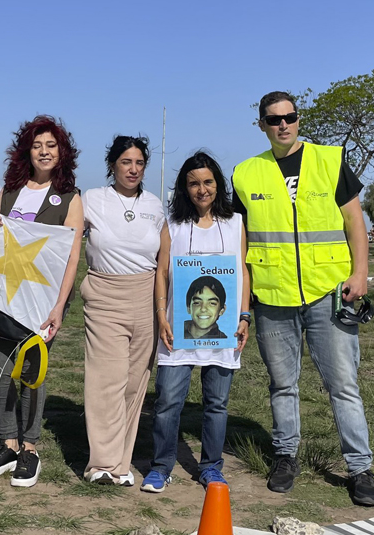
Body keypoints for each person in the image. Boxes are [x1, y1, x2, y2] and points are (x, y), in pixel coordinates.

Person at [232, 91, 374, 506]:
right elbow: (239, 240)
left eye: (290, 117)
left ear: (299, 120)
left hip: (328, 294)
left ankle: (360, 468)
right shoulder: (245, 173)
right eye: (274, 119)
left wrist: (361, 273)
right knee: (283, 385)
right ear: (261, 124)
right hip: (273, 296)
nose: (283, 124)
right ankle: (285, 455)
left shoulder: (330, 160)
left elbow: (354, 221)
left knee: (343, 385)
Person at [0, 115, 83, 488]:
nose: (44, 151)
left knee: (32, 373)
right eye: (37, 145)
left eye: (51, 145)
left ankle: (30, 448)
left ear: (61, 151)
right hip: (3, 296)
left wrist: (59, 307)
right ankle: (6, 443)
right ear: (27, 151)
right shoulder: (11, 189)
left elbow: (71, 257)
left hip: (41, 300)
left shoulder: (70, 198)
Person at [142, 151, 249, 494]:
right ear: (184, 188)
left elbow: (243, 272)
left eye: (207, 182)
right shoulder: (172, 224)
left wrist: (244, 315)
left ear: (218, 184)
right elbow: (161, 273)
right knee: (168, 401)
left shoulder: (235, 223)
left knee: (216, 403)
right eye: (193, 183)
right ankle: (161, 466)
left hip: (224, 331)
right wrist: (162, 317)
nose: (201, 189)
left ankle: (211, 467)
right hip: (177, 330)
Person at [81, 135, 165, 487]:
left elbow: (164, 259)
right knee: (106, 380)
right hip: (104, 293)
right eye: (126, 162)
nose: (133, 169)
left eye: (140, 163)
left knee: (134, 381)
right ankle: (99, 462)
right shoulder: (91, 199)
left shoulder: (156, 205)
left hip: (145, 295)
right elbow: (63, 238)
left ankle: (120, 464)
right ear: (112, 164)